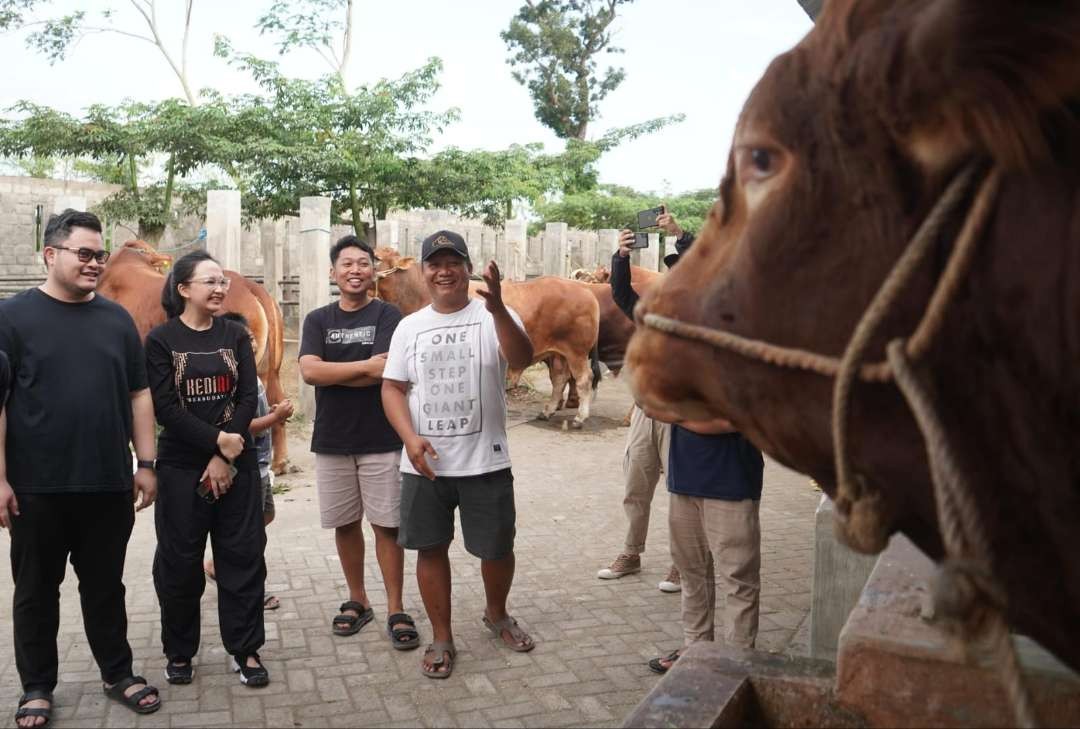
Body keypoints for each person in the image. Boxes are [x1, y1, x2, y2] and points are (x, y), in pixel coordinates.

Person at [0, 210, 161, 728]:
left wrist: (147, 462)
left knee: (105, 588)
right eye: (84, 254)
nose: (95, 263)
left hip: (108, 483)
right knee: (35, 592)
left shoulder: (115, 318)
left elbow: (139, 393)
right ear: (51, 255)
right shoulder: (12, 317)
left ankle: (118, 673)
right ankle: (37, 686)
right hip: (36, 487)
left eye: (99, 254)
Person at [382, 230, 535, 679]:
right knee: (429, 549)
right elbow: (392, 389)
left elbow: (522, 357)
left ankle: (497, 614)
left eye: (453, 262)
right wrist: (410, 440)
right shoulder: (410, 326)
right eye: (435, 263)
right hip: (424, 466)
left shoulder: (494, 316)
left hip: (485, 459)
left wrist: (500, 308)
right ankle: (442, 636)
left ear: (468, 268)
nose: (444, 270)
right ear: (424, 272)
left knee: (496, 548)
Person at [146, 250, 269, 688]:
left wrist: (225, 454)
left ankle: (246, 649)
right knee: (179, 563)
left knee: (242, 558)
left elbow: (246, 398)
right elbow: (166, 408)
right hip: (180, 466)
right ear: (183, 289)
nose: (220, 289)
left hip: (236, 464)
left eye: (222, 282)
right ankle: (180, 651)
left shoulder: (235, 335)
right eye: (209, 282)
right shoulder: (161, 341)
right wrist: (216, 442)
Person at [298, 235, 419, 648]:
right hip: (332, 439)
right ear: (333, 273)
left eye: (363, 264)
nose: (355, 270)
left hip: (381, 437)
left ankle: (396, 607)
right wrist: (367, 365)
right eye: (346, 264)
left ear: (374, 271)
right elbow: (309, 373)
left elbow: (389, 374)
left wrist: (337, 369)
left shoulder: (390, 316)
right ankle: (357, 599)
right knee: (345, 524)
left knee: (387, 525)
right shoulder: (317, 320)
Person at [597, 206, 695, 593]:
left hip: (681, 417)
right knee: (636, 487)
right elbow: (620, 293)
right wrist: (620, 257)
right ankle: (631, 553)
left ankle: (680, 563)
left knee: (681, 493)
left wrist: (679, 233)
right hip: (644, 414)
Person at [646, 417, 764, 673]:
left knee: (738, 580)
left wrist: (675, 413)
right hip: (684, 481)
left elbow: (733, 419)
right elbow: (649, 404)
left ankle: (737, 660)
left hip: (732, 483)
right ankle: (696, 649)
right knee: (691, 573)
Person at [204, 312, 293, 612]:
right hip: (243, 466)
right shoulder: (230, 380)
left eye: (253, 339)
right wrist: (276, 418)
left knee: (264, 518)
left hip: (262, 465)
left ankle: (220, 565)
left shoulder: (251, 376)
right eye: (245, 339)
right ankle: (251, 589)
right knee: (249, 532)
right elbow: (242, 427)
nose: (253, 344)